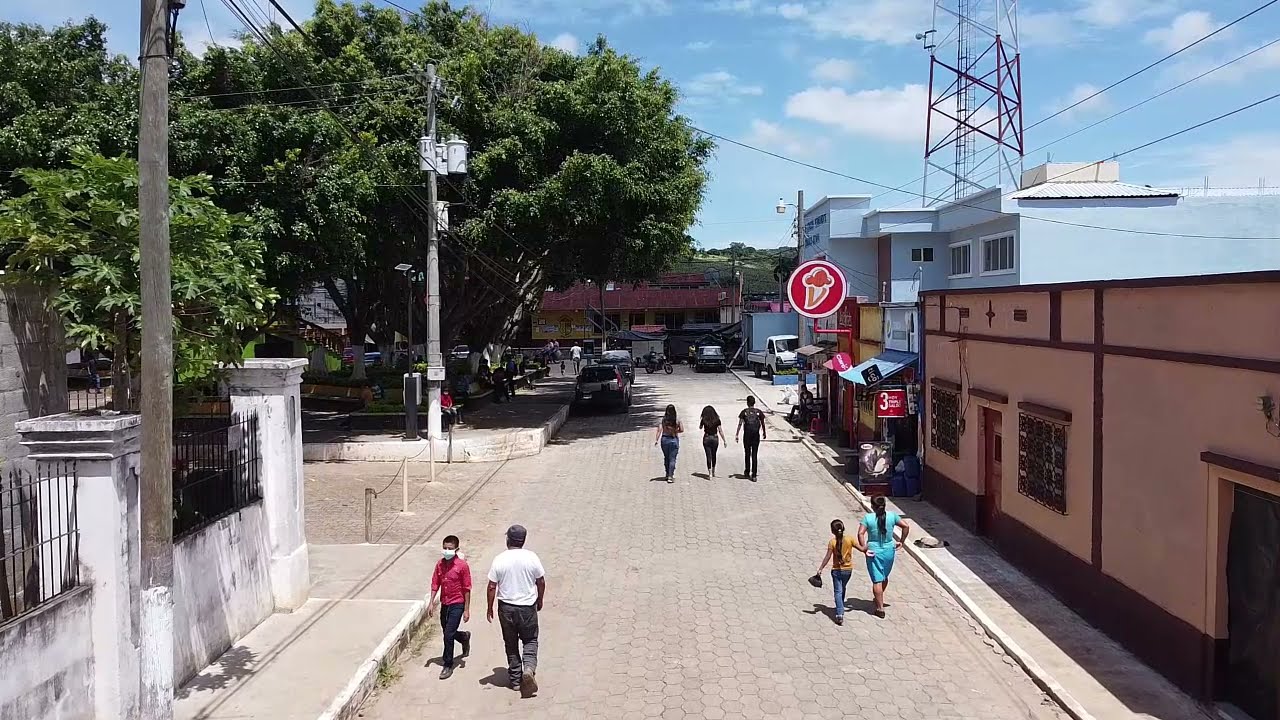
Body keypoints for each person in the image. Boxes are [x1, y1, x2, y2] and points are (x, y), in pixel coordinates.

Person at [487, 525, 546, 697]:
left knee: (511, 643)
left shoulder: (499, 559)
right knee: (530, 640)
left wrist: (489, 607)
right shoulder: (531, 557)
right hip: (527, 608)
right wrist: (540, 599)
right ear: (523, 540)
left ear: (508, 540)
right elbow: (541, 581)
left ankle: (515, 681)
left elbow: (491, 586)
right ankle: (528, 669)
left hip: (506, 609)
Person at [858, 496, 910, 617]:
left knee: (877, 580)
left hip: (873, 551)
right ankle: (879, 597)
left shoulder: (868, 518)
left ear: (872, 506)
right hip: (889, 551)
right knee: (884, 577)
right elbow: (906, 526)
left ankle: (880, 609)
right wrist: (902, 541)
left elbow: (860, 533)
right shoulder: (892, 516)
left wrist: (864, 548)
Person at [430, 535, 472, 679]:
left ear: (456, 549)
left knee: (448, 634)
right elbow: (435, 583)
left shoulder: (462, 566)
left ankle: (448, 664)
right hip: (445, 603)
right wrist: (431, 602)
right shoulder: (439, 565)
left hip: (457, 603)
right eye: (445, 548)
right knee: (447, 631)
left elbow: (467, 588)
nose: (447, 551)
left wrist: (466, 609)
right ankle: (463, 637)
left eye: (450, 548)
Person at [816, 519, 856, 625]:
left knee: (838, 591)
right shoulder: (850, 539)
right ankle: (840, 606)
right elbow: (862, 548)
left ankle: (839, 614)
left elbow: (827, 557)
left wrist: (820, 568)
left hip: (836, 571)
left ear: (832, 531)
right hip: (848, 570)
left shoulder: (832, 542)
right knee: (843, 588)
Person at [735, 396, 767, 481]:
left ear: (747, 403)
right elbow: (763, 423)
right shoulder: (758, 412)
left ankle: (747, 472)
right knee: (754, 454)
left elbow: (740, 424)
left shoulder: (744, 412)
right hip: (756, 436)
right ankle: (754, 475)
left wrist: (737, 434)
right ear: (754, 403)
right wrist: (764, 432)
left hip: (747, 436)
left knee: (747, 453)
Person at [654, 404, 683, 483]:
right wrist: (675, 431)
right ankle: (670, 476)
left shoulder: (664, 420)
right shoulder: (677, 420)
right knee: (672, 459)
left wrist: (656, 439)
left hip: (665, 440)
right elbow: (682, 429)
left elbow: (659, 429)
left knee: (666, 457)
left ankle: (667, 473)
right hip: (674, 440)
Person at [698, 406, 726, 477]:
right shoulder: (717, 419)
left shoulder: (704, 419)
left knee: (708, 455)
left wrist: (702, 423)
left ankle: (709, 472)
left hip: (707, 437)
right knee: (714, 454)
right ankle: (713, 471)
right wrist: (724, 440)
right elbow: (720, 431)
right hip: (715, 437)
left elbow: (700, 427)